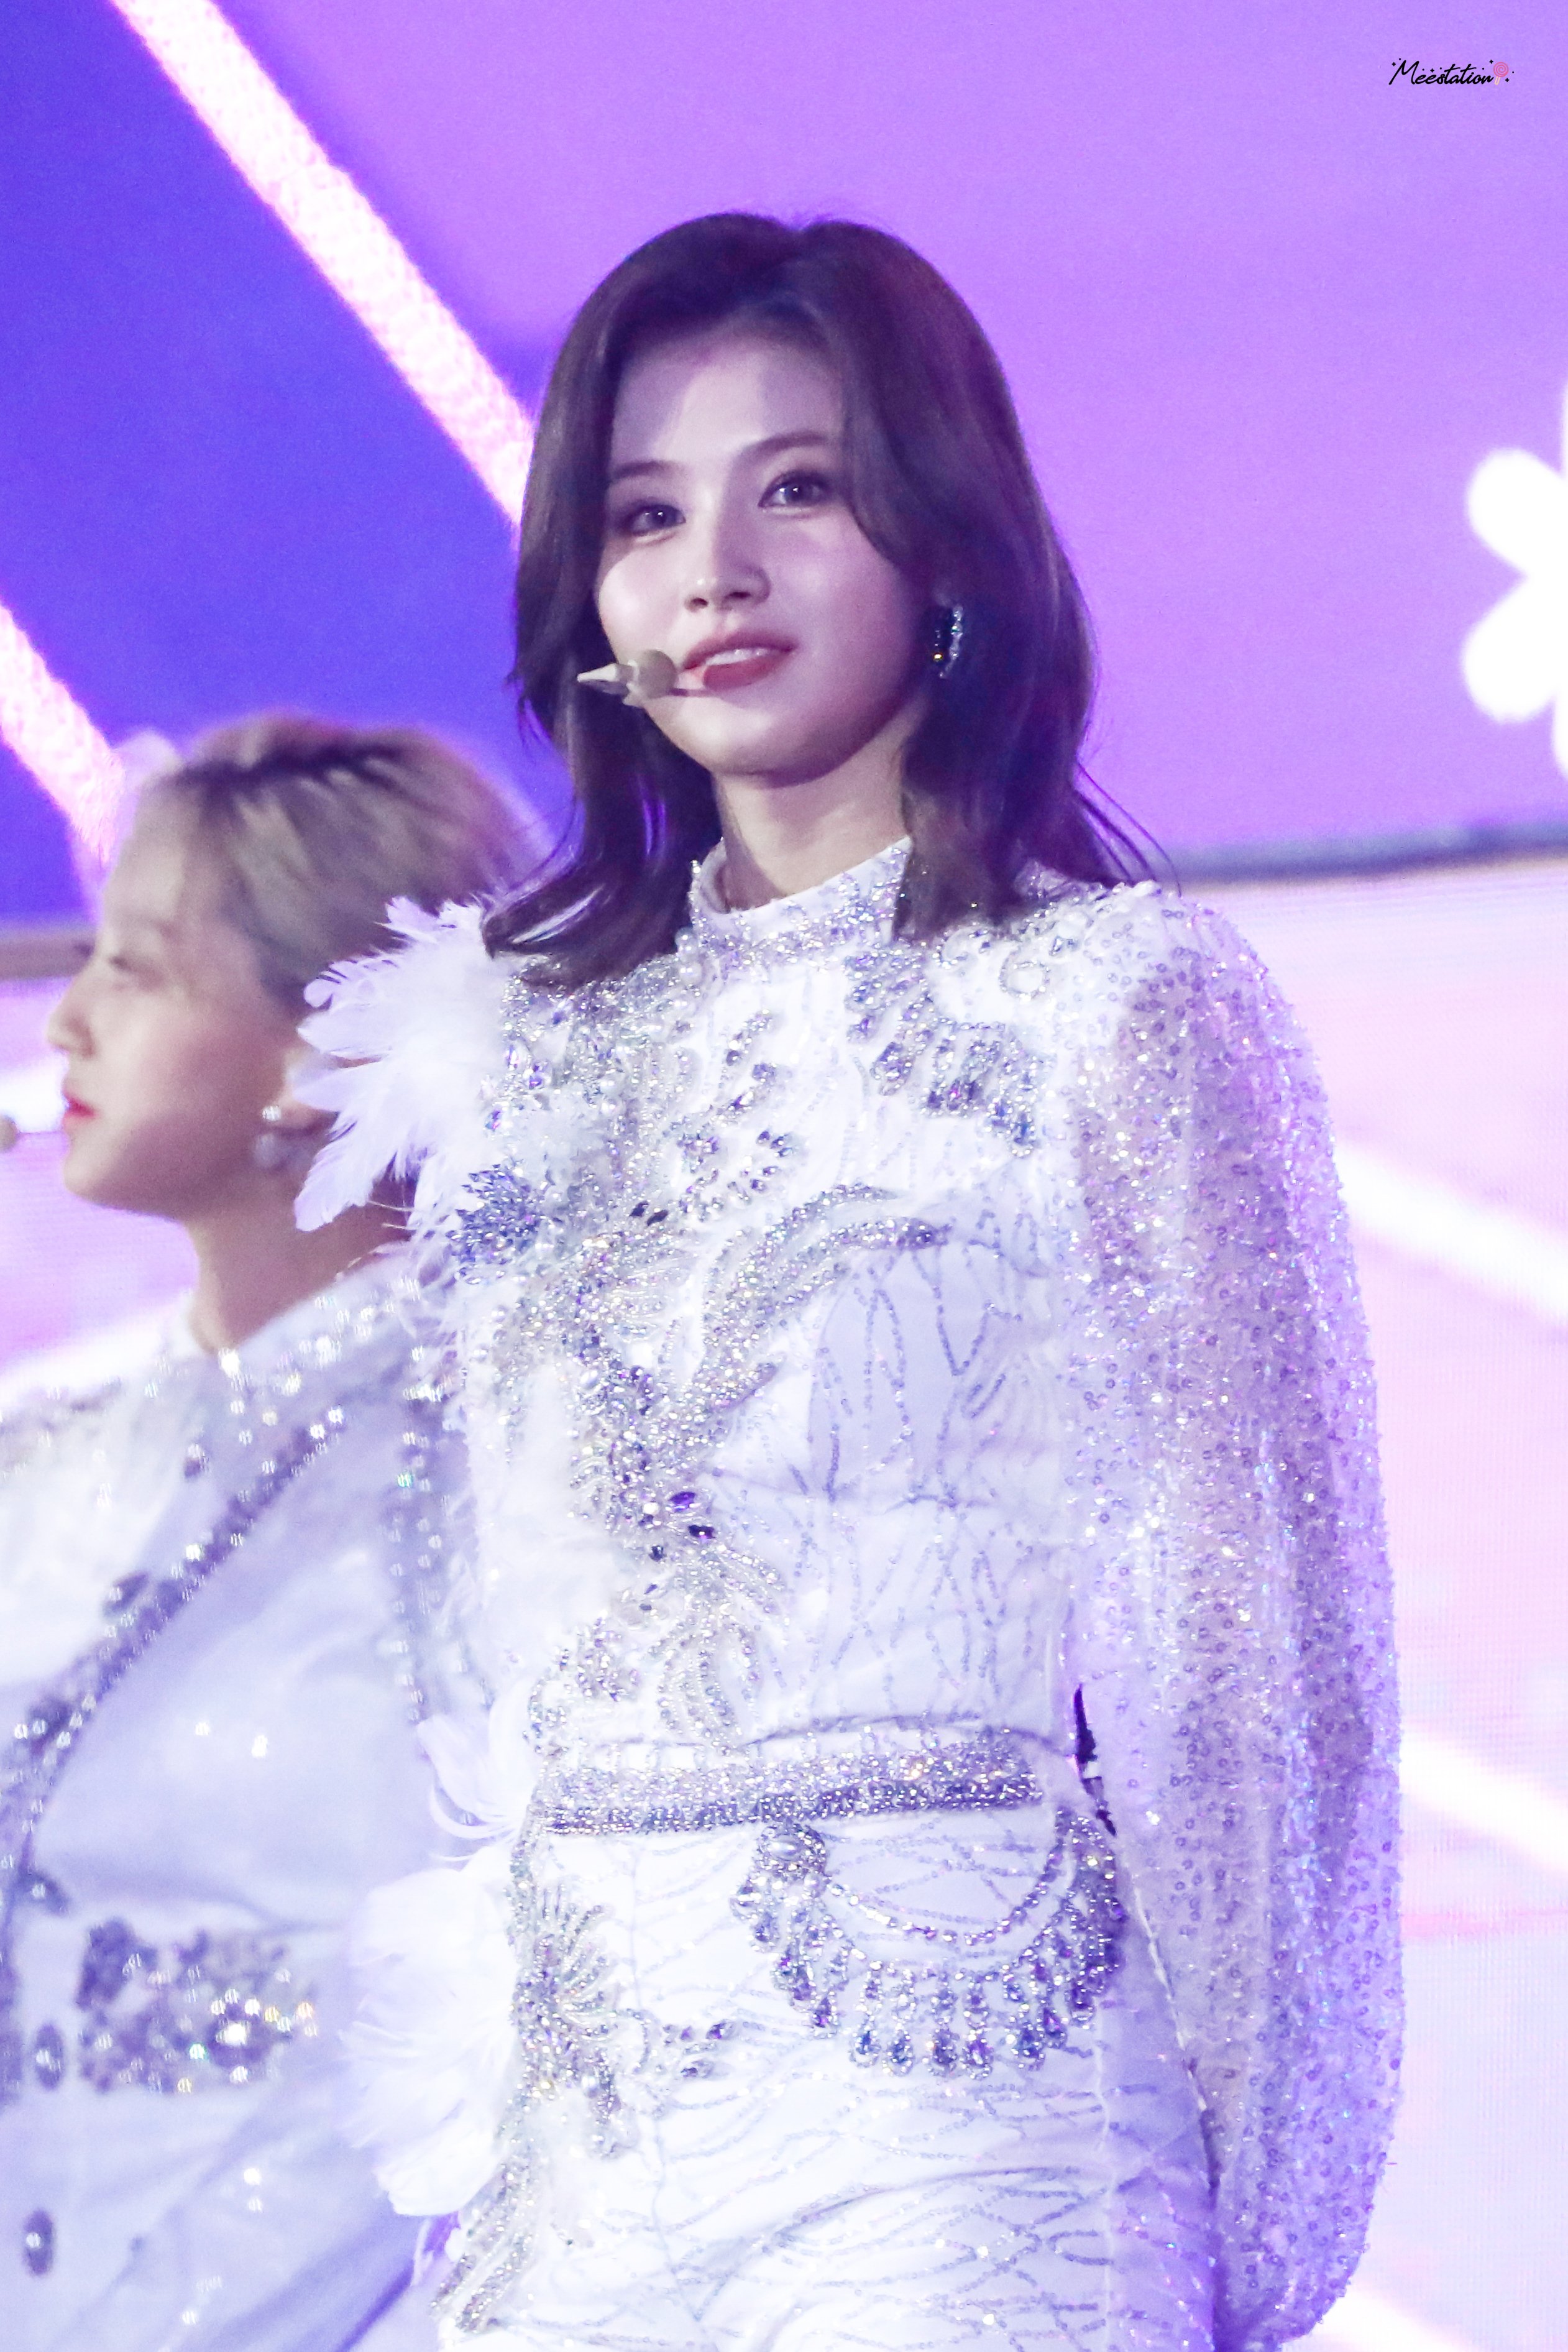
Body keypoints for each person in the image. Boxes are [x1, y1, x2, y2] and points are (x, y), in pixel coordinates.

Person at [298, 216, 1401, 2352]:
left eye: (795, 489)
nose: (711, 574)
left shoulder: (1117, 1002)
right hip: (584, 2153)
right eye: (643, 516)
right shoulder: (520, 1054)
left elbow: (1253, 1664)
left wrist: (1255, 2225)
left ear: (946, 538)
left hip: (967, 2123)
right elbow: (484, 1632)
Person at [0, 715, 530, 2350]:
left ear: (322, 1057)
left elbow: (488, 2016)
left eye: (136, 970)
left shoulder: (503, 1458)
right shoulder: (51, 1451)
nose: (67, 1020)